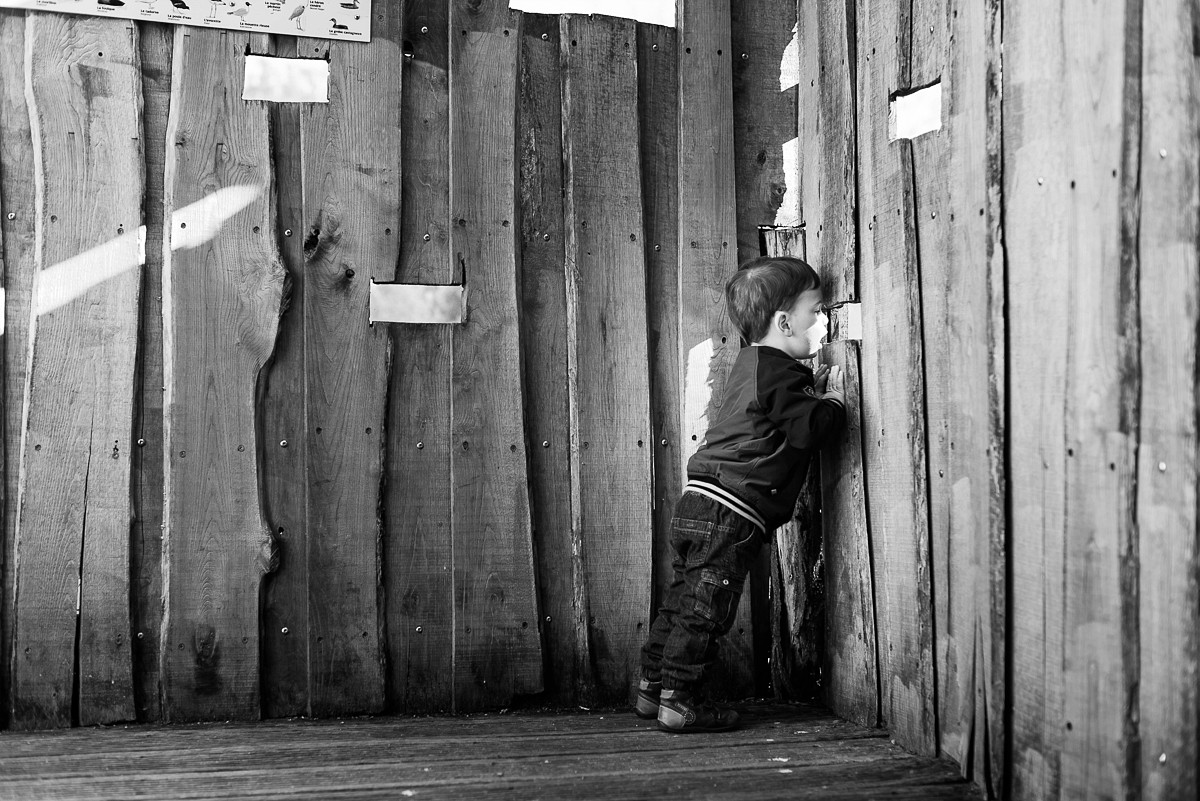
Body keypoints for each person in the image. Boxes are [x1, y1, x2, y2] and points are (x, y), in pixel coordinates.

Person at [636, 255, 846, 733]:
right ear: (785, 321)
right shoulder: (781, 373)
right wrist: (832, 400)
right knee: (707, 608)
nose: (822, 321)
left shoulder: (753, 364)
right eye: (817, 311)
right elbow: (809, 430)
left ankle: (653, 688)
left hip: (699, 500)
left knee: (683, 599)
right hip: (730, 511)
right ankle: (682, 700)